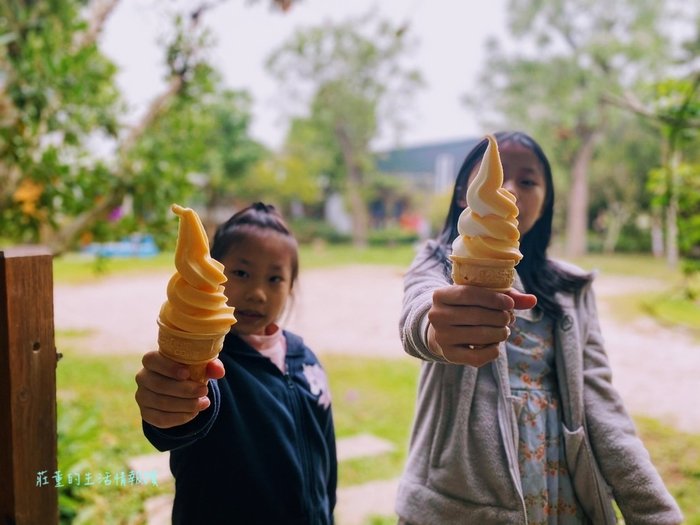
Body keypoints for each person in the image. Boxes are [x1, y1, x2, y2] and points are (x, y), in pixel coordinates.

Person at [395, 131, 682, 525]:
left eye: (528, 181)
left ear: (546, 201)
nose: (510, 190)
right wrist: (435, 329)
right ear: (466, 193)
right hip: (460, 498)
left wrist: (653, 512)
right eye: (497, 179)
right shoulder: (437, 263)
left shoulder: (573, 288)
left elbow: (600, 402)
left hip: (558, 488)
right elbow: (420, 310)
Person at [135, 203, 336, 525]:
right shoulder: (212, 365)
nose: (257, 293)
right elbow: (188, 414)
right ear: (211, 275)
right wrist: (172, 400)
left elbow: (325, 456)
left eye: (274, 278)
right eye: (241, 273)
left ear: (291, 287)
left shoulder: (305, 359)